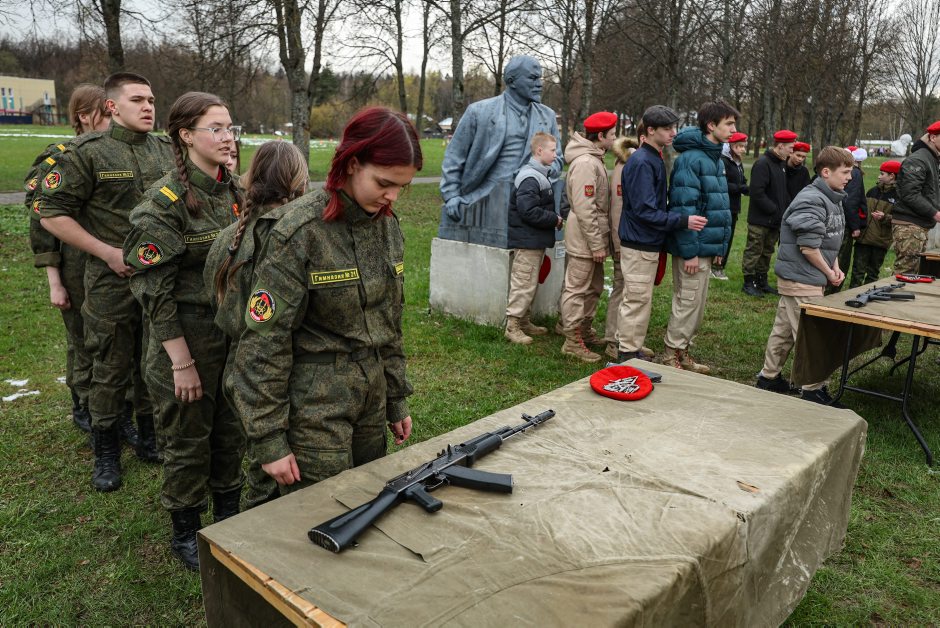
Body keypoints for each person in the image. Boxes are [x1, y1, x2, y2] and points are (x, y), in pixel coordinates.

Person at [230, 107, 418, 498]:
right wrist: (269, 439)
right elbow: (263, 343)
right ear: (352, 164)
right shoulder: (298, 232)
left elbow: (388, 322)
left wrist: (396, 397)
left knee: (368, 497)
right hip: (314, 408)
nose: (392, 197)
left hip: (370, 399)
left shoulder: (387, 227)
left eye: (402, 187)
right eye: (384, 183)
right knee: (318, 509)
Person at [122, 92, 244, 570]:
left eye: (230, 127)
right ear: (186, 136)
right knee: (188, 440)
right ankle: (186, 528)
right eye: (216, 128)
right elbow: (152, 291)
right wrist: (182, 362)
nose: (227, 137)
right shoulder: (164, 202)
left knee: (230, 431)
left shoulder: (234, 191)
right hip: (184, 340)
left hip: (229, 338)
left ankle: (229, 514)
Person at [39, 72, 174, 492]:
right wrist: (106, 252)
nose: (148, 107)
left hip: (158, 280)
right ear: (112, 106)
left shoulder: (167, 151)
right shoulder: (87, 153)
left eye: (151, 100)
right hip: (109, 280)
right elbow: (50, 213)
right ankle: (107, 449)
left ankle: (149, 436)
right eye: (138, 100)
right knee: (110, 364)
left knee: (153, 360)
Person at [205, 140, 309, 510]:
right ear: (300, 183)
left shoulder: (228, 237)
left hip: (238, 370)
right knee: (281, 471)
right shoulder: (298, 235)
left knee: (259, 459)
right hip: (282, 370)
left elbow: (215, 299)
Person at [25, 84, 111, 434]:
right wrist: (54, 281)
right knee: (82, 336)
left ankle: (115, 405)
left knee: (112, 338)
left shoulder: (118, 155)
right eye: (105, 114)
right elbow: (42, 221)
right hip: (75, 263)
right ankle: (84, 401)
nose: (112, 120)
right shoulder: (61, 157)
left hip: (112, 263)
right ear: (84, 116)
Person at [754, 146, 853, 404]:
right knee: (813, 337)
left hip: (806, 276)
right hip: (801, 278)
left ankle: (768, 377)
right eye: (845, 172)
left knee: (784, 331)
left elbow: (828, 241)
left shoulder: (832, 198)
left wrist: (835, 266)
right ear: (826, 172)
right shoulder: (811, 199)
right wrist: (829, 272)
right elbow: (808, 247)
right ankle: (813, 389)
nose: (850, 177)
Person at [616, 105, 707, 362]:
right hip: (639, 243)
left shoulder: (652, 157)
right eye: (667, 129)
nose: (673, 133)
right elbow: (645, 211)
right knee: (636, 298)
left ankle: (632, 345)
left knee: (641, 298)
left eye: (673, 128)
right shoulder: (643, 162)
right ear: (650, 130)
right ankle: (627, 354)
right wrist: (683, 221)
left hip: (645, 241)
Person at [658, 101, 737, 374]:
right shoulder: (691, 160)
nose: (733, 129)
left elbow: (716, 206)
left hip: (706, 246)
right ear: (711, 126)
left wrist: (718, 248)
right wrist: (690, 251)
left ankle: (683, 352)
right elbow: (684, 208)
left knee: (697, 305)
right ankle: (670, 354)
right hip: (692, 249)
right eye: (729, 124)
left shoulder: (714, 158)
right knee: (687, 301)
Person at [559, 111, 617, 362]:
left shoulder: (594, 158)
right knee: (577, 287)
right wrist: (596, 244)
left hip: (593, 236)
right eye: (612, 134)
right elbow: (585, 208)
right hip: (585, 237)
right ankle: (572, 340)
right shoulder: (585, 163)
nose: (615, 138)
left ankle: (583, 330)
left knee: (593, 286)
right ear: (600, 136)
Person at [504, 132, 562, 345]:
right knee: (523, 282)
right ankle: (512, 326)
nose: (555, 155)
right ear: (539, 150)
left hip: (533, 239)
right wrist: (554, 219)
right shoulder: (530, 177)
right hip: (526, 241)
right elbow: (528, 211)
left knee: (528, 282)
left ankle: (524, 321)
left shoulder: (538, 174)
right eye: (552, 150)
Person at [605, 136, 650, 359]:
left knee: (629, 290)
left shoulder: (639, 162)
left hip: (631, 237)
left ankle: (627, 339)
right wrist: (618, 242)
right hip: (624, 239)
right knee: (622, 289)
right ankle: (614, 340)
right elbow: (618, 207)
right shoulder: (627, 164)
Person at [741, 129, 796, 296]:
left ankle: (761, 281)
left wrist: (785, 209)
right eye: (790, 148)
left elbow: (781, 191)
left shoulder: (781, 164)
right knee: (754, 250)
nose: (791, 152)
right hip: (760, 219)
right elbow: (757, 193)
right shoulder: (763, 164)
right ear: (780, 146)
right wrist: (774, 210)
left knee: (767, 251)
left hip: (775, 220)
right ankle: (748, 282)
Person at [891, 121, 940, 274]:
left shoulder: (930, 158)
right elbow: (910, 194)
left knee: (913, 273)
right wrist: (934, 213)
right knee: (905, 273)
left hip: (917, 225)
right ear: (933, 137)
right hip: (909, 226)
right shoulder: (919, 159)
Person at [849, 160, 900, 288]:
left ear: (892, 176)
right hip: (863, 239)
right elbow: (861, 210)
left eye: (882, 174)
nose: (878, 176)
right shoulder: (872, 191)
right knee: (857, 272)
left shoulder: (899, 196)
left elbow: (899, 219)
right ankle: (852, 294)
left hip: (880, 242)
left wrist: (885, 217)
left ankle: (869, 295)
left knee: (872, 273)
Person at [829, 147, 868, 293]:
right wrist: (855, 225)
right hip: (845, 223)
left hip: (837, 218)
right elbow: (851, 200)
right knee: (841, 259)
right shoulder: (855, 173)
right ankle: (832, 291)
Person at [713, 131, 749, 281]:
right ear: (732, 146)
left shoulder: (738, 162)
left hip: (734, 206)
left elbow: (741, 180)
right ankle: (716, 267)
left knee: (729, 237)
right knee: (721, 237)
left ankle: (720, 266)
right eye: (740, 146)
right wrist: (741, 188)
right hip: (723, 205)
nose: (743, 149)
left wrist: (747, 187)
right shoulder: (723, 161)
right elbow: (723, 184)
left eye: (744, 146)